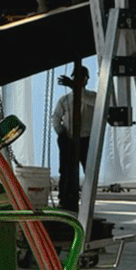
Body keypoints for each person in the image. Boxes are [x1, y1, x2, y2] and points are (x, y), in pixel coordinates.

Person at [51, 63, 97, 215]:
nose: (78, 80)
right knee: (66, 171)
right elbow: (56, 118)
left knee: (89, 172)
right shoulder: (64, 100)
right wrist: (61, 133)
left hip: (86, 140)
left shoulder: (92, 97)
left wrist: (74, 87)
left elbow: (90, 101)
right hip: (68, 139)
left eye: (80, 78)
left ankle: (87, 201)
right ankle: (65, 200)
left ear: (85, 80)